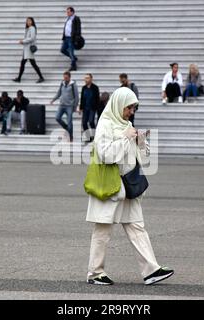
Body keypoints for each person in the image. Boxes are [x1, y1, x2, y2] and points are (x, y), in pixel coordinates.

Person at [86, 87, 174, 286]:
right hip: (110, 186)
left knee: (137, 227)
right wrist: (126, 138)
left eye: (134, 108)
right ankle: (95, 273)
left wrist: (141, 142)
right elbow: (104, 154)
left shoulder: (125, 123)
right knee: (102, 229)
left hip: (128, 186)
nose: (131, 112)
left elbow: (140, 156)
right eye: (129, 108)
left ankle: (151, 270)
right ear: (119, 105)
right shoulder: (105, 124)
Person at [13, 17, 44, 83]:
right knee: (24, 63)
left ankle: (41, 77)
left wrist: (23, 41)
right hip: (26, 49)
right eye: (27, 21)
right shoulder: (28, 28)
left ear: (32, 22)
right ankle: (19, 78)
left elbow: (32, 38)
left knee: (32, 64)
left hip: (29, 49)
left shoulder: (32, 28)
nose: (28, 22)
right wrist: (24, 42)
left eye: (30, 21)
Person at [51, 71, 79, 142]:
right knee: (57, 118)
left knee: (69, 121)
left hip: (69, 106)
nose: (65, 79)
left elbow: (76, 96)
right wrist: (53, 100)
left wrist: (75, 106)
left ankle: (70, 136)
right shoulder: (62, 83)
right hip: (62, 105)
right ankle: (66, 128)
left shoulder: (73, 85)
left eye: (66, 77)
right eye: (64, 77)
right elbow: (59, 93)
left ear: (69, 77)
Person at [79, 73, 100, 142]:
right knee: (84, 123)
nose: (86, 79)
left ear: (91, 79)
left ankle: (94, 136)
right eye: (85, 78)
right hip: (85, 108)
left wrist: (97, 108)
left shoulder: (95, 87)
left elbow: (97, 98)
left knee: (91, 121)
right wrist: (80, 108)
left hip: (92, 108)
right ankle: (88, 137)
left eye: (87, 78)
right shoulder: (84, 88)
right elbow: (82, 98)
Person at [61, 7, 81, 71]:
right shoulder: (68, 18)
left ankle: (73, 66)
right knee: (62, 50)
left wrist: (76, 39)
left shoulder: (76, 18)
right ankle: (74, 58)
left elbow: (78, 29)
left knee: (71, 52)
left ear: (72, 12)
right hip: (66, 38)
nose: (67, 13)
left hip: (71, 38)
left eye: (68, 12)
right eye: (67, 12)